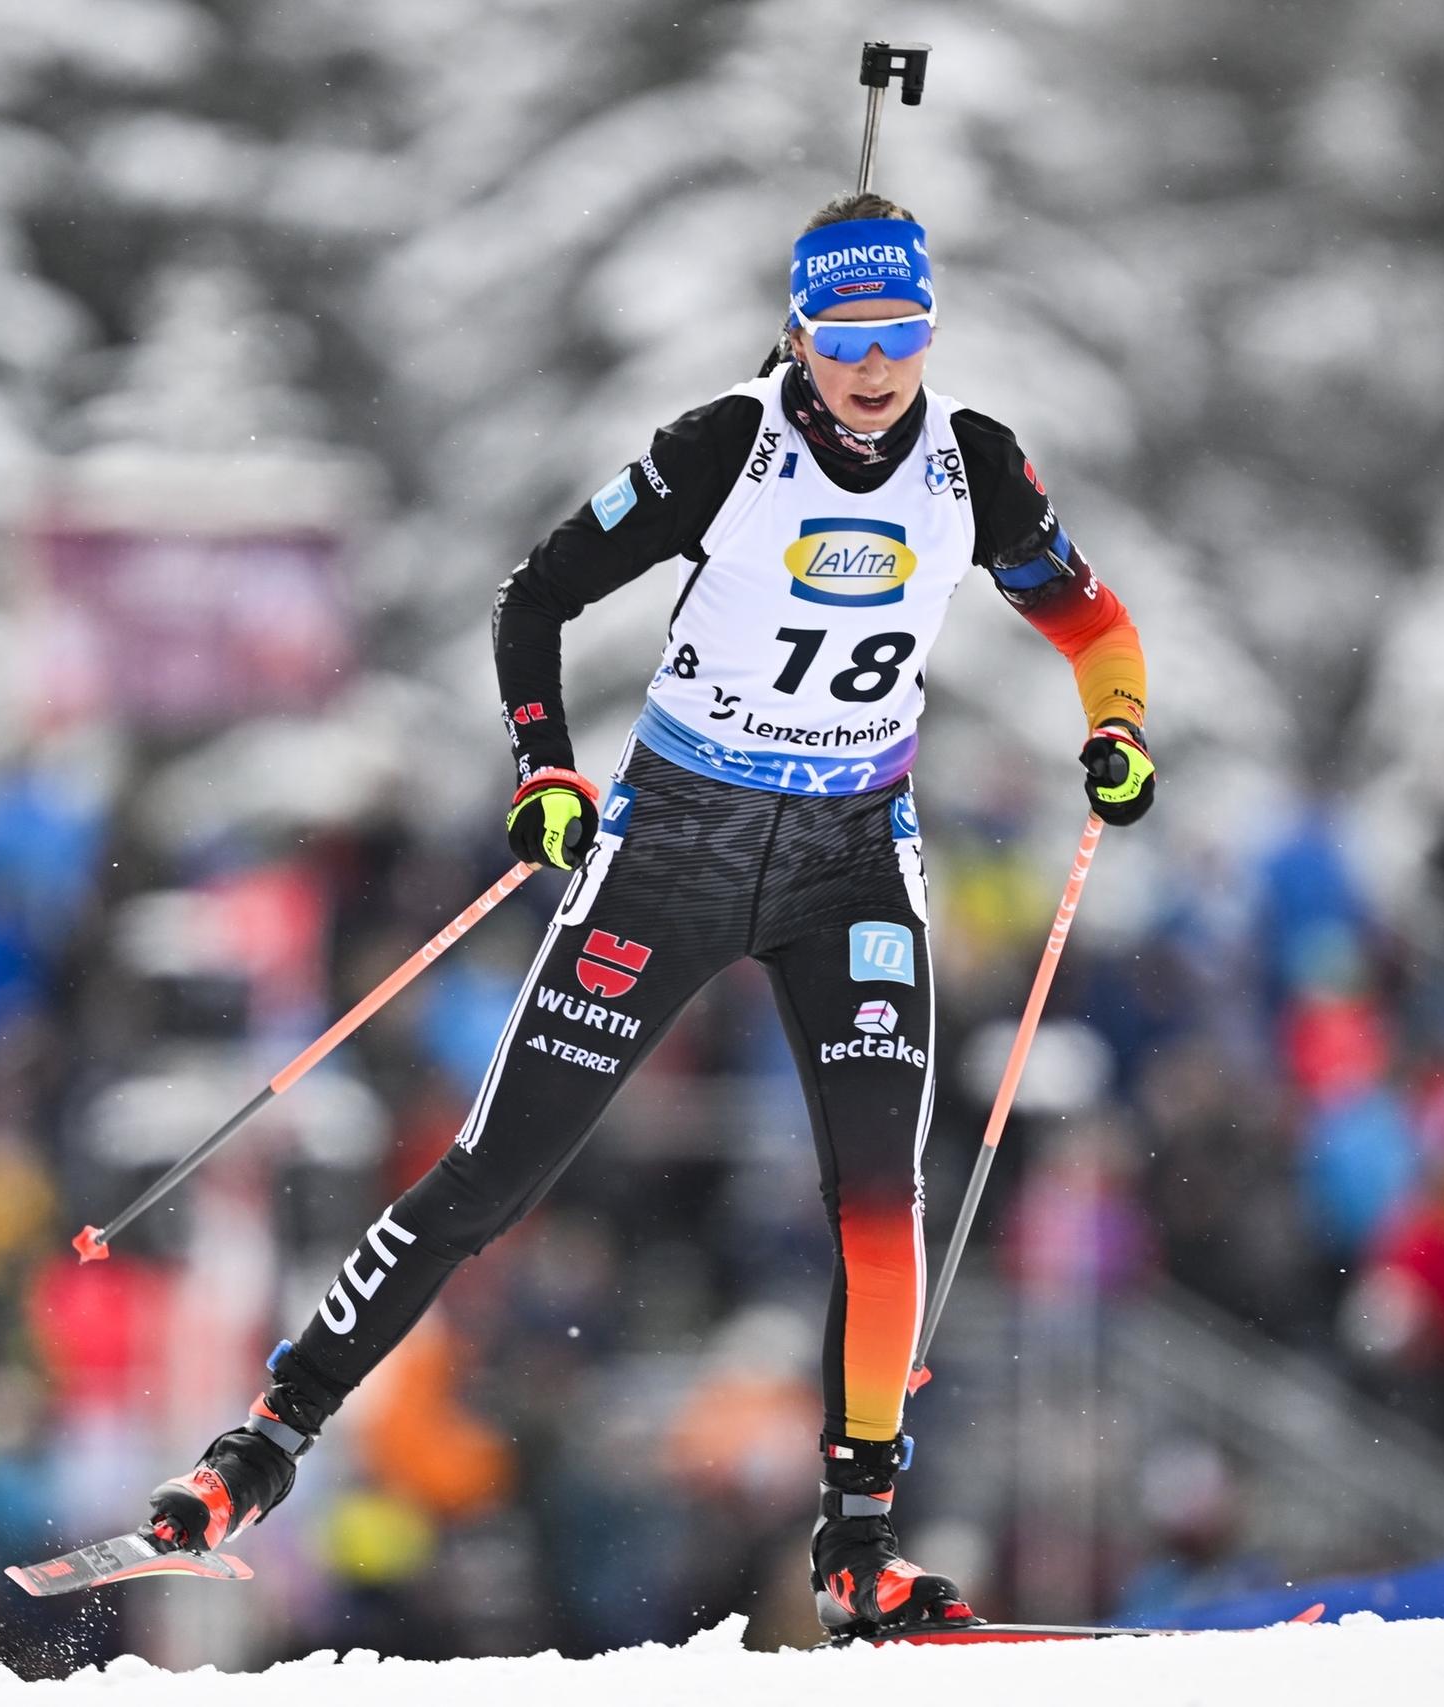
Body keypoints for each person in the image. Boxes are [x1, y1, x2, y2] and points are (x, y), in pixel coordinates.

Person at [147, 193, 1156, 1638]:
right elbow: (534, 599)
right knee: (493, 1177)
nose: (875, 365)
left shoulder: (974, 466)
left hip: (851, 861)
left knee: (883, 1207)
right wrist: (544, 768)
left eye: (901, 332)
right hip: (678, 843)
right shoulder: (725, 449)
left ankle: (858, 1548)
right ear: (800, 334)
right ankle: (263, 1441)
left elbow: (1094, 623)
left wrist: (1115, 730)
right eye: (846, 335)